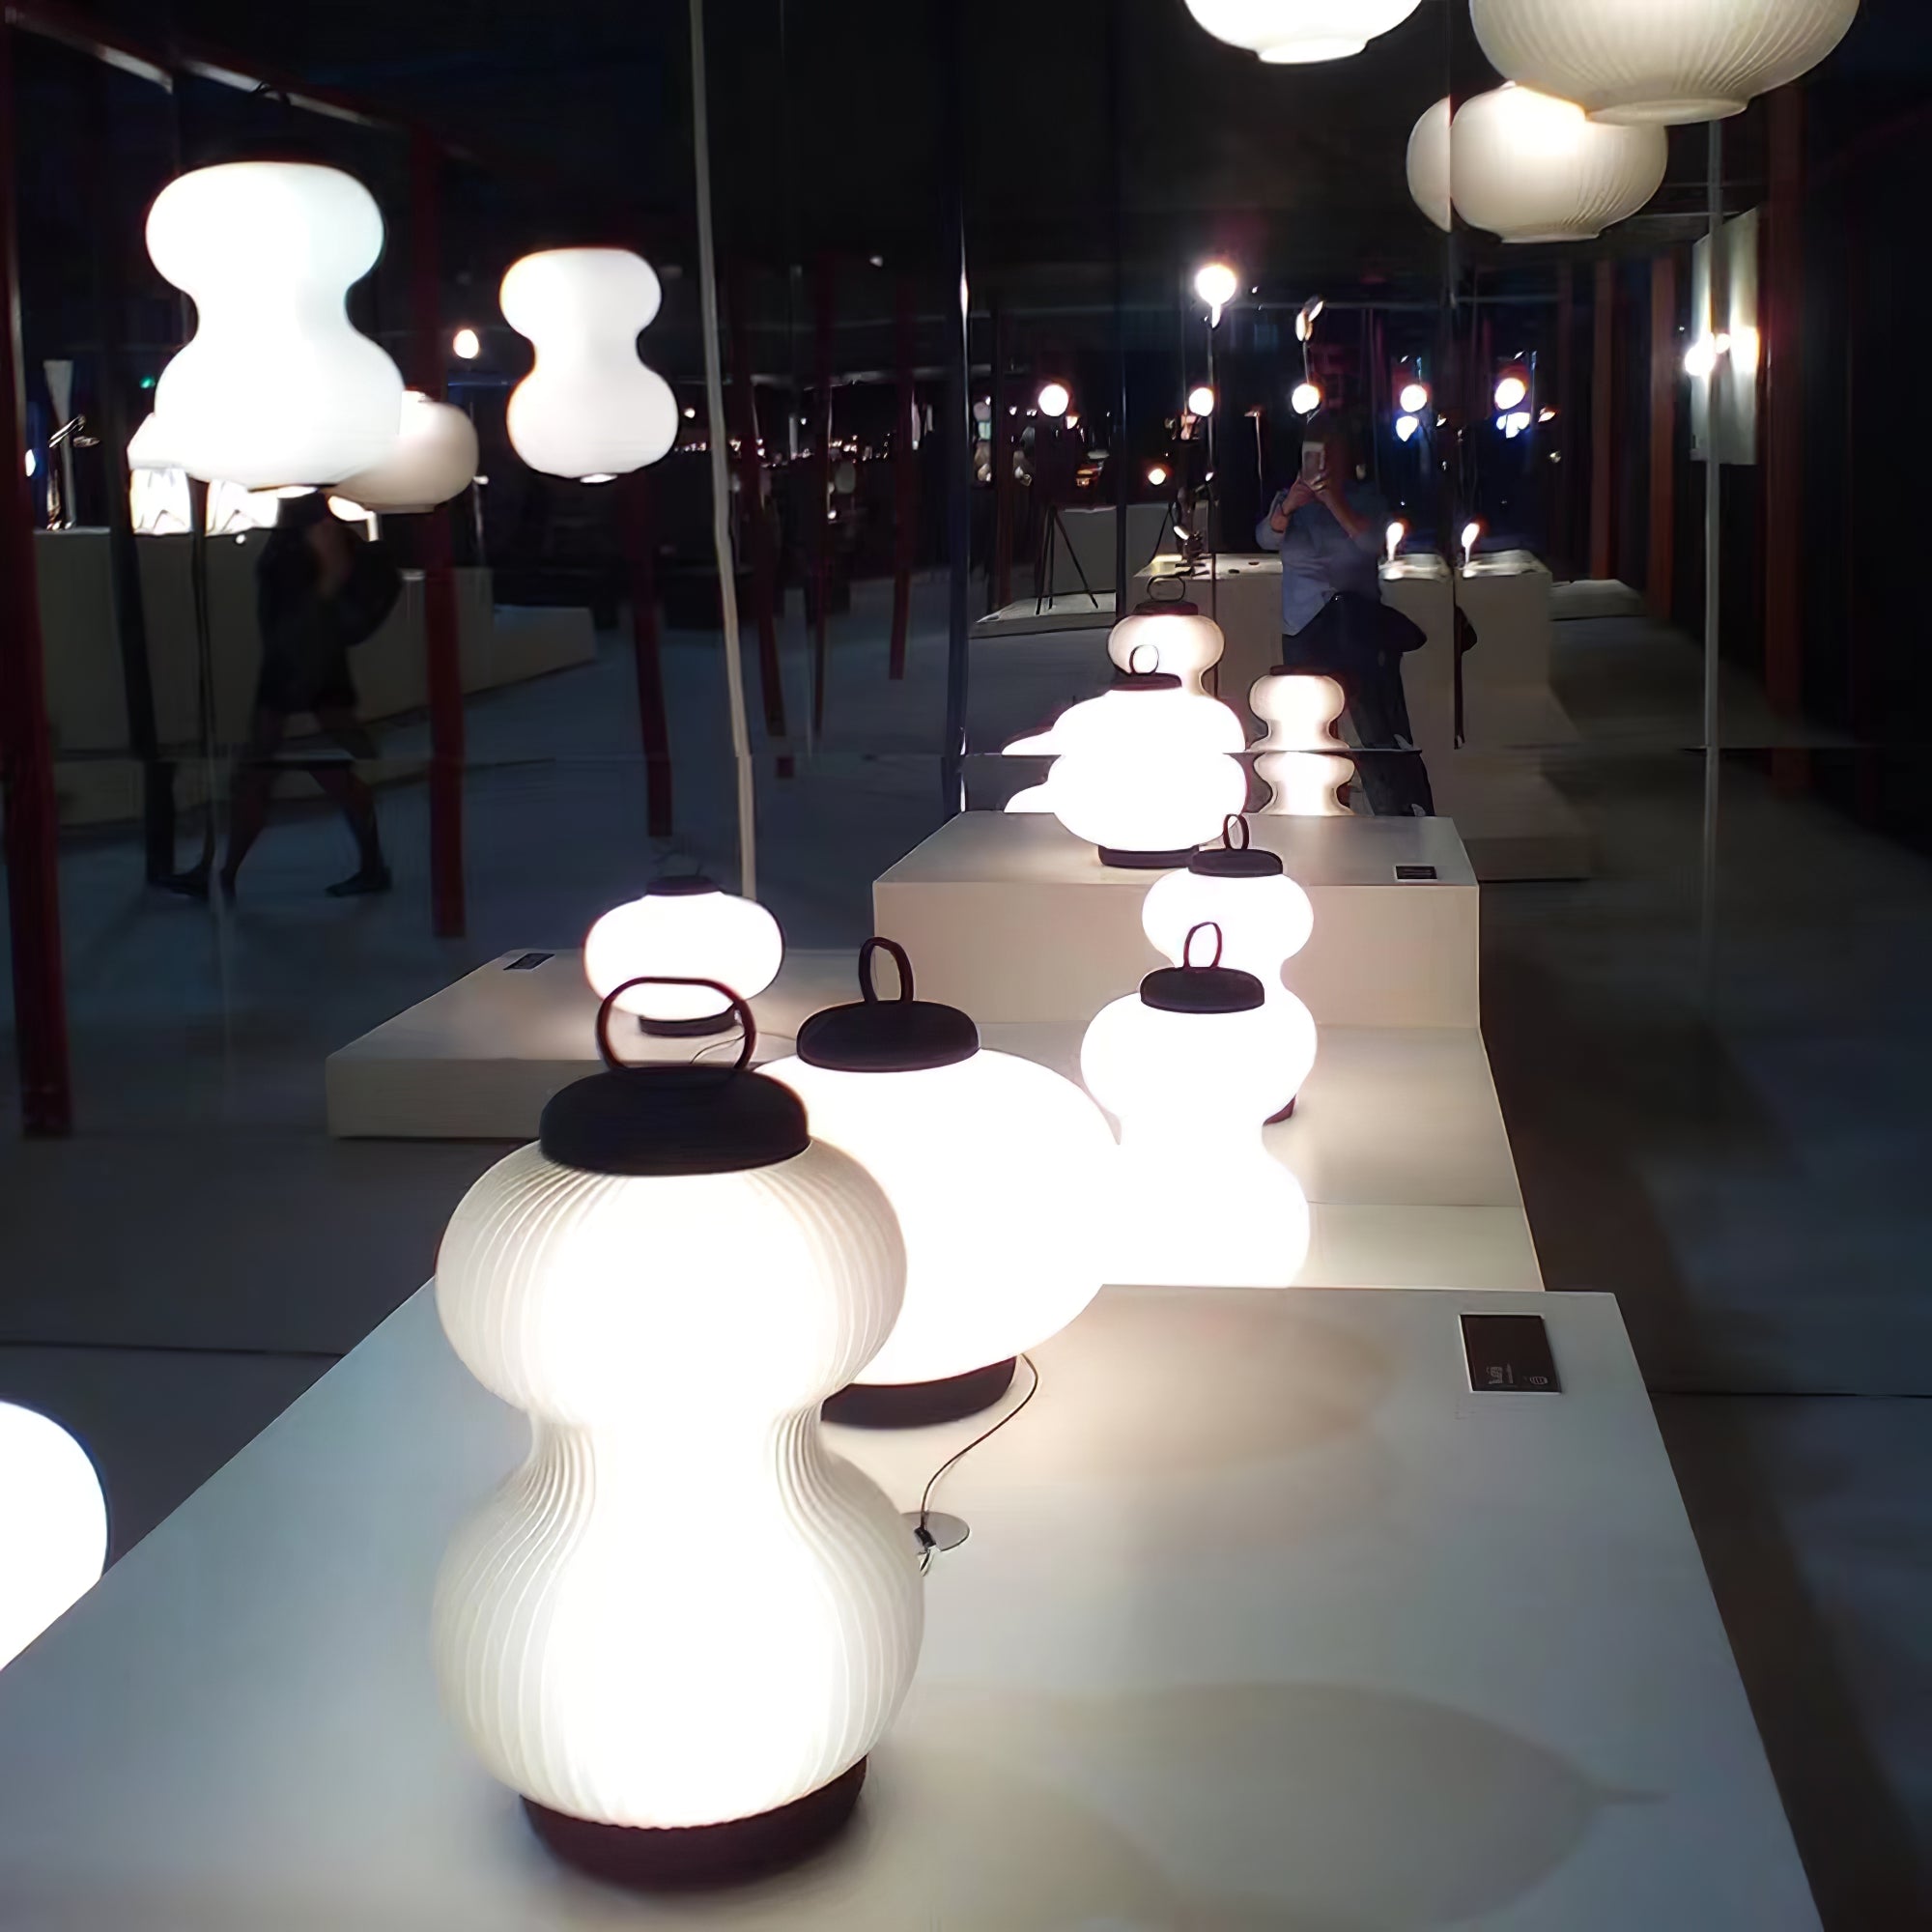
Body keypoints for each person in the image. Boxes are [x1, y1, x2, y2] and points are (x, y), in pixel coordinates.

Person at [166, 494, 395, 898]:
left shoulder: (314, 528)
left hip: (306, 670)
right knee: (280, 774)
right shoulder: (299, 527)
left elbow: (321, 595)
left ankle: (223, 874)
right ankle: (223, 873)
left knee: (282, 773)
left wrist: (326, 585)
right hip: (296, 669)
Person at [1255, 417, 1434, 816]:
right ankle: (1323, 813)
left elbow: (1373, 544)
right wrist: (1289, 506)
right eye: (1315, 453)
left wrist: (1335, 501)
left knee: (1375, 729)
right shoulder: (1290, 500)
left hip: (1357, 627)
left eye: (1330, 454)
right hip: (1304, 627)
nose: (1322, 463)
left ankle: (1396, 818)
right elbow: (1266, 537)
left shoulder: (1365, 498)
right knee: (1310, 730)